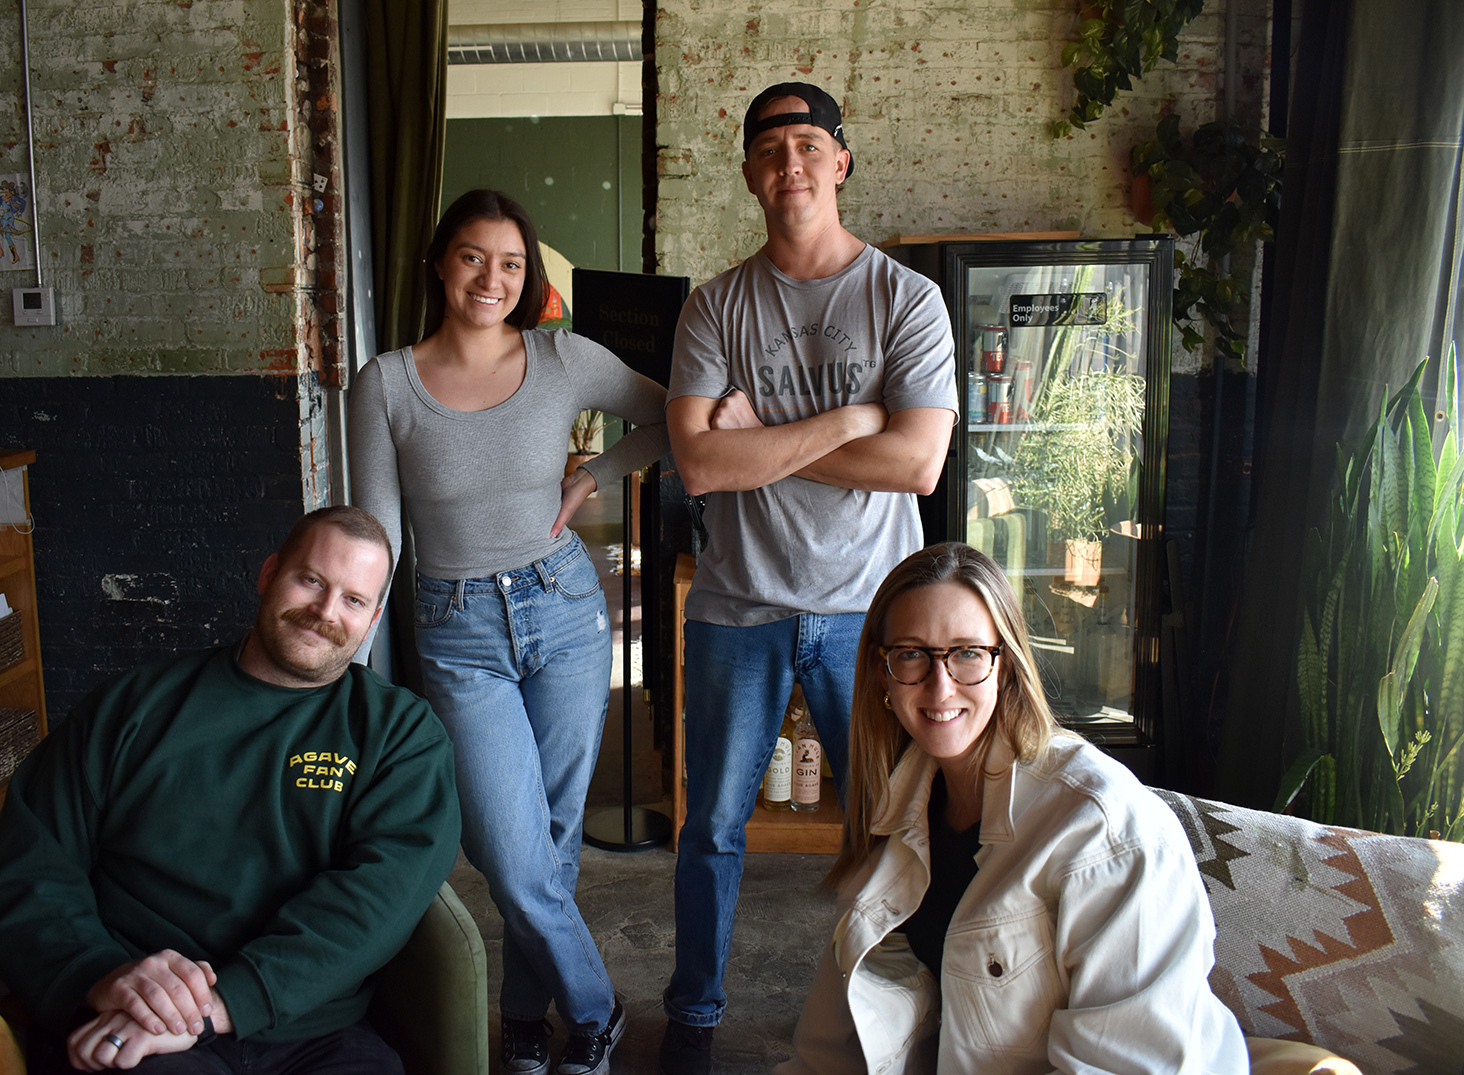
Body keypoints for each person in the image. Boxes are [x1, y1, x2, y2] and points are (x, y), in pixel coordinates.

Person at [660, 81, 957, 1072]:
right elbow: (701, 465)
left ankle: (908, 1005)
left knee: (892, 828)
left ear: (839, 161)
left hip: (871, 616)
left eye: (807, 143)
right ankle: (694, 1016)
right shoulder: (714, 305)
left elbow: (916, 463)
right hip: (737, 609)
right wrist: (842, 424)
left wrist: (759, 436)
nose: (789, 161)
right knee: (708, 827)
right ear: (749, 172)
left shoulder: (904, 300)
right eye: (769, 148)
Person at [349, 188, 670, 1075]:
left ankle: (527, 1025)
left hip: (563, 608)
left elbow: (670, 415)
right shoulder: (385, 383)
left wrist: (596, 471)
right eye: (473, 257)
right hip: (456, 630)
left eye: (512, 263)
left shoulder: (562, 357)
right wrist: (357, 666)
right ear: (439, 264)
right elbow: (377, 540)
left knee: (553, 837)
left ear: (528, 276)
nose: (492, 278)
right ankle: (598, 1012)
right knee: (509, 847)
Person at [0, 506, 461, 1074]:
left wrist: (223, 1004)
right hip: (140, 1020)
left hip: (310, 1031)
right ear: (268, 575)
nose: (325, 612)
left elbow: (379, 897)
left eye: (353, 600)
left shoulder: (399, 734)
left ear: (373, 616)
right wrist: (99, 976)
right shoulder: (133, 708)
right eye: (311, 580)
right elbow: (34, 864)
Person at [776, 542, 1249, 1074]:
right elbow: (834, 1039)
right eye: (911, 653)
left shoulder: (1105, 831)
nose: (940, 684)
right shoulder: (897, 805)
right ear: (882, 673)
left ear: (1006, 664)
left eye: (968, 653)